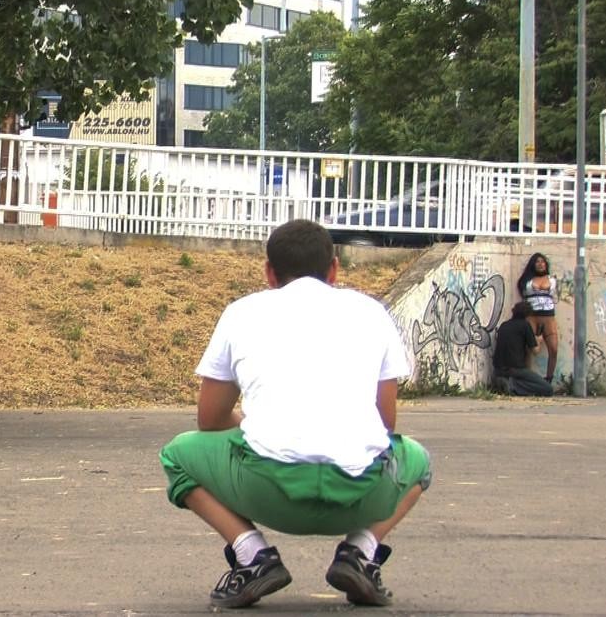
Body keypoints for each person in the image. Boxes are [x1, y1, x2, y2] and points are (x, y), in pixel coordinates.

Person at [159, 220, 431, 609]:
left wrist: (254, 428)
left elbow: (210, 418)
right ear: (334, 269)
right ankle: (361, 551)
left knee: (177, 455)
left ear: (269, 272)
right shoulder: (372, 312)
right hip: (361, 495)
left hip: (268, 492)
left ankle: (252, 555)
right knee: (419, 461)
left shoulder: (241, 312)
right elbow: (386, 424)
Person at [493, 302, 554, 397]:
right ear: (528, 316)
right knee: (547, 389)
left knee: (525, 377)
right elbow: (535, 351)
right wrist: (539, 341)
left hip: (498, 369)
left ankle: (506, 382)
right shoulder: (525, 325)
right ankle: (512, 386)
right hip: (515, 369)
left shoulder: (504, 325)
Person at [517, 252, 558, 383]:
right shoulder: (527, 280)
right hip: (532, 317)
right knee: (528, 349)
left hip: (548, 317)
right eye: (537, 262)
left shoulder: (552, 279)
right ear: (533, 265)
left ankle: (549, 378)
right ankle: (528, 378)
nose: (540, 264)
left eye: (543, 262)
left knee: (554, 349)